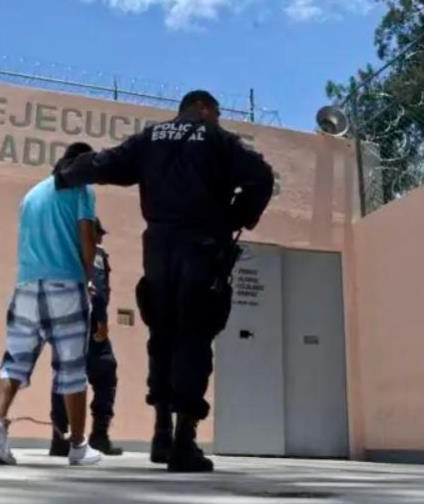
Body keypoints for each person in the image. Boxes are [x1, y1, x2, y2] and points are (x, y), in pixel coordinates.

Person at [54, 90, 274, 472]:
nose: (218, 118)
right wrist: (236, 218)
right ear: (204, 108)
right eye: (217, 112)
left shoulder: (150, 138)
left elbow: (107, 163)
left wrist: (66, 172)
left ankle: (161, 435)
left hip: (157, 247)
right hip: (202, 246)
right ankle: (184, 442)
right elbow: (262, 176)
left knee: (163, 335)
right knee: (195, 334)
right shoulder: (219, 140)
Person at [0, 142, 104, 467]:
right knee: (72, 367)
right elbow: (87, 239)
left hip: (26, 285)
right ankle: (77, 445)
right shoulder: (81, 189)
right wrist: (90, 278)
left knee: (16, 359)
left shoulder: (31, 195)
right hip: (65, 283)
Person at [49, 218, 123, 456]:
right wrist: (100, 321)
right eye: (98, 233)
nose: (101, 239)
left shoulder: (62, 254)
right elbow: (97, 289)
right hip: (88, 326)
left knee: (64, 378)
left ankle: (60, 439)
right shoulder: (95, 254)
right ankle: (99, 435)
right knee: (105, 376)